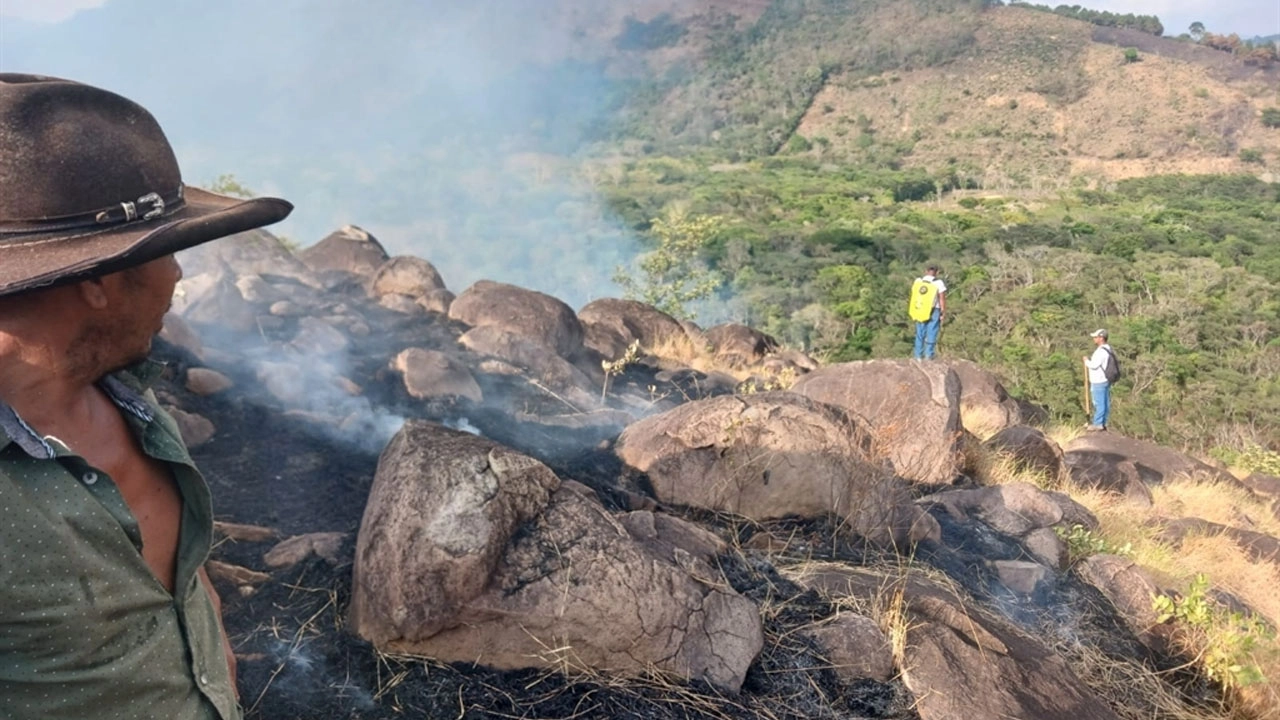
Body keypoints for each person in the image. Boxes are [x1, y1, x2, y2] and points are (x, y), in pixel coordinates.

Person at [0, 74, 292, 719]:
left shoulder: (125, 394)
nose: (180, 274)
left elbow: (183, 583)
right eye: (167, 252)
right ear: (100, 281)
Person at [909, 265, 947, 360]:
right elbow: (942, 298)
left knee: (920, 332)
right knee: (932, 331)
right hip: (935, 310)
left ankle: (918, 355)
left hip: (920, 309)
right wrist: (943, 312)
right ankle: (928, 355)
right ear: (937, 272)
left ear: (926, 271)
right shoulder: (938, 283)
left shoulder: (918, 281)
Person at [1082, 328, 1116, 431]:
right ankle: (1103, 422)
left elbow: (1094, 365)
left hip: (1099, 381)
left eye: (1096, 337)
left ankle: (1098, 423)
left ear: (1101, 338)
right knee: (1105, 402)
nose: (1094, 339)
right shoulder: (1108, 349)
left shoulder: (1101, 352)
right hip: (1104, 380)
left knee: (1099, 402)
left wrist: (1086, 361)